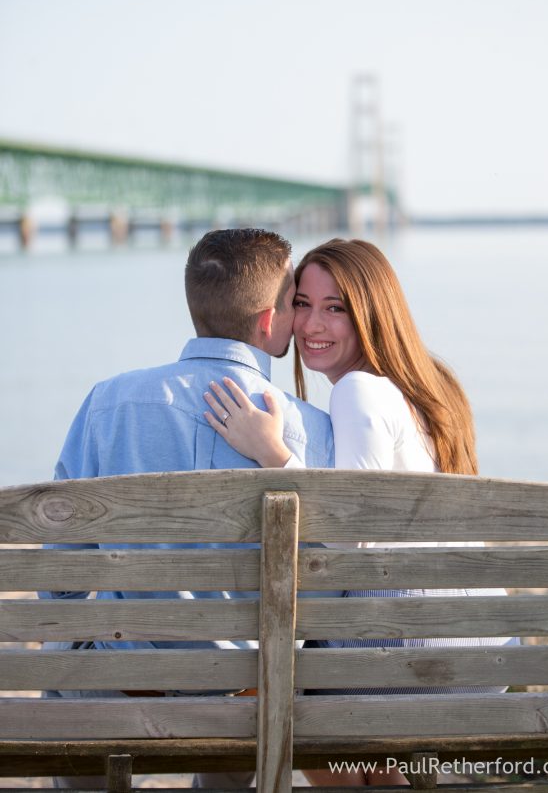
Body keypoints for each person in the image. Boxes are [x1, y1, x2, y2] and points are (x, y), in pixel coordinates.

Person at [204, 237, 518, 787]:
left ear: (372, 313)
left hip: (420, 649)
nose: (311, 325)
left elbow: (352, 541)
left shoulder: (358, 392)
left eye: (336, 308)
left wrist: (272, 453)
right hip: (476, 642)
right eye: (302, 304)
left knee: (275, 679)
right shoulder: (424, 389)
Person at [39, 227, 334, 790]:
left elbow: (61, 555)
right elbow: (325, 578)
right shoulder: (310, 431)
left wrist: (67, 648)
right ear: (269, 322)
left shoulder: (109, 401)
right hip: (246, 691)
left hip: (120, 679)